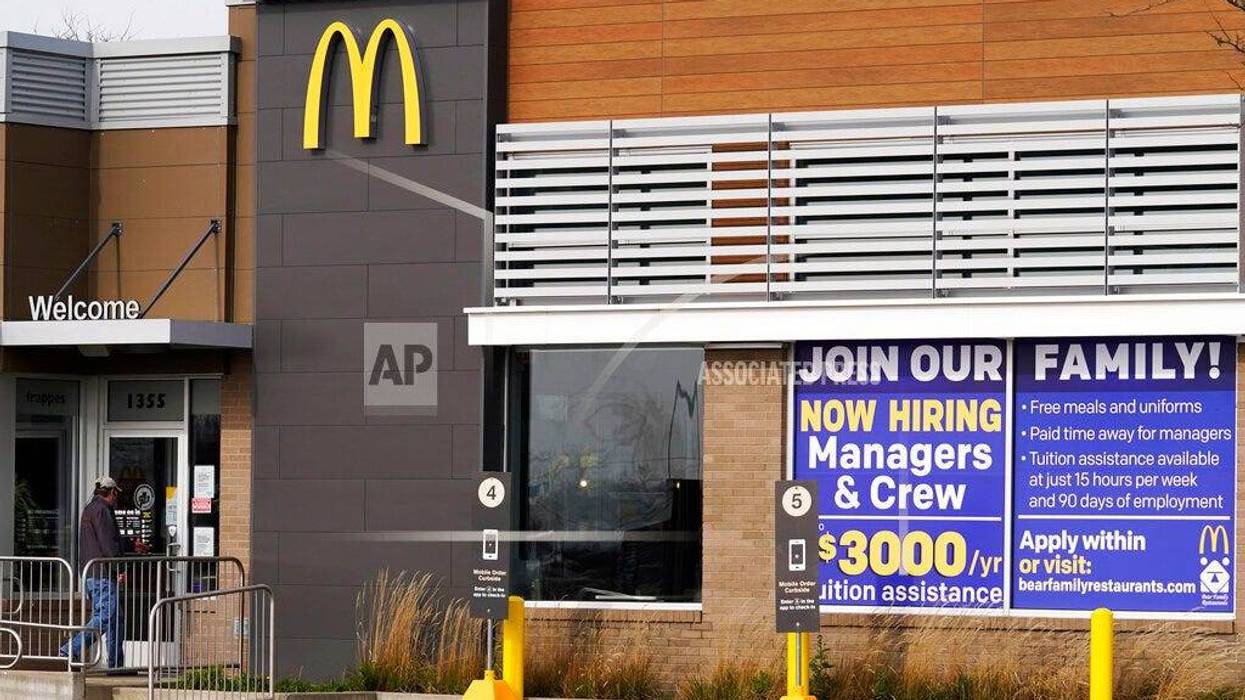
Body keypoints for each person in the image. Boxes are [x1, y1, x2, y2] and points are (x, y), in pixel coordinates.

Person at [61, 477, 145, 669]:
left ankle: (116, 665)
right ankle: (71, 648)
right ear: (112, 492)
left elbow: (107, 540)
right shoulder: (102, 510)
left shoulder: (91, 509)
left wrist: (131, 544)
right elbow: (109, 544)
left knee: (116, 619)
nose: (117, 498)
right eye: (116, 493)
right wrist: (120, 569)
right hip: (102, 574)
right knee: (106, 615)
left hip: (94, 572)